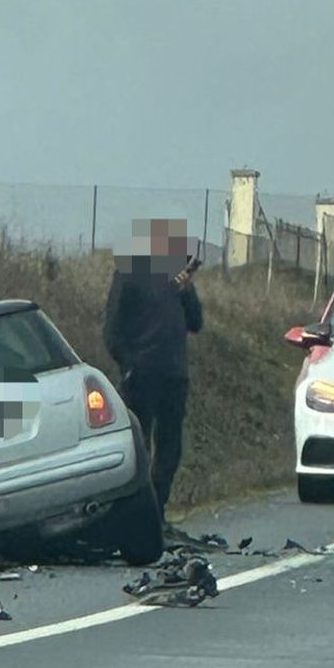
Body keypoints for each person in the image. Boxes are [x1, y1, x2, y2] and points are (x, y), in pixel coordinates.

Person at [103, 218, 203, 538]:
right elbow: (112, 328)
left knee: (170, 448)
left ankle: (157, 512)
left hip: (174, 374)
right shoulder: (129, 273)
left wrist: (187, 291)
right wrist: (128, 365)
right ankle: (136, 516)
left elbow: (196, 322)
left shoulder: (177, 277)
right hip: (142, 374)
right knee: (139, 446)